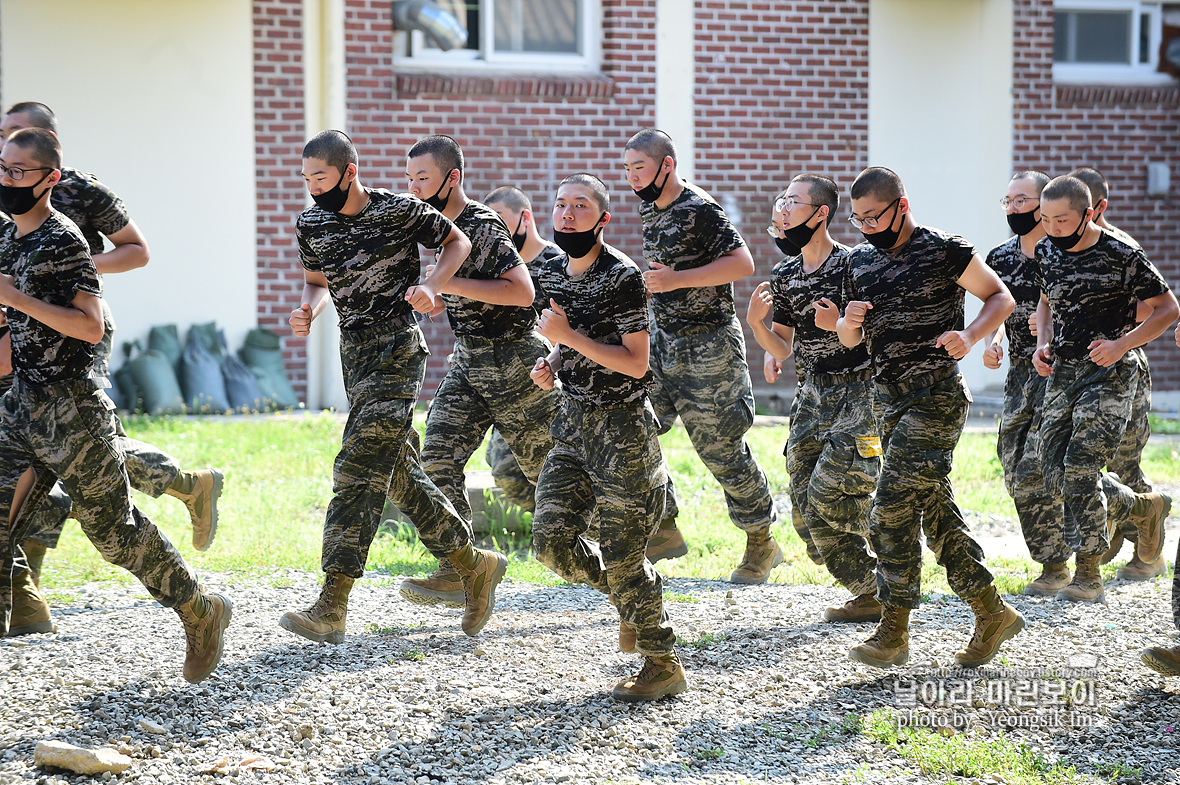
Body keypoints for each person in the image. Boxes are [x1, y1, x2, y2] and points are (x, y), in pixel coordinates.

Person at [0, 128, 229, 681]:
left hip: (73, 411)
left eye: (18, 172)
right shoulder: (6, 239)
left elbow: (89, 325)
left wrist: (14, 298)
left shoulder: (64, 240)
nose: (6, 180)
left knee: (115, 534)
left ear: (50, 179)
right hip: (19, 406)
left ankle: (201, 612)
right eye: (1, 168)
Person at [281, 130, 505, 643]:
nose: (313, 187)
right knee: (398, 472)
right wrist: (308, 310)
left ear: (349, 172)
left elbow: (458, 240)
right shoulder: (311, 222)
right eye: (306, 178)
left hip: (397, 350)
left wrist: (431, 284)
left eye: (321, 177)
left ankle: (331, 604)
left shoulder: (397, 210)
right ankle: (472, 565)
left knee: (357, 464)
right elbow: (316, 280)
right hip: (353, 354)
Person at [836, 166, 1022, 669]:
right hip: (886, 399)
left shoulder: (944, 249)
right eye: (858, 220)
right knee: (935, 512)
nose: (868, 227)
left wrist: (971, 335)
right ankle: (992, 611)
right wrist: (846, 324)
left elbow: (999, 296)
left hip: (935, 396)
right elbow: (848, 341)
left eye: (875, 216)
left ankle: (893, 631)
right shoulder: (858, 263)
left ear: (902, 205)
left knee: (889, 507)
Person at [530, 172, 685, 701]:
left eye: (579, 206)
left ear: (603, 218)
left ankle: (662, 661)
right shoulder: (552, 267)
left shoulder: (621, 276)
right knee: (550, 542)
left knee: (621, 554)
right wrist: (552, 360)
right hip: (572, 423)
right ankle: (632, 596)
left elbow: (638, 363)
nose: (567, 214)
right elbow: (568, 341)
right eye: (560, 205)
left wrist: (566, 338)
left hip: (622, 430)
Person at [396, 138, 560, 609]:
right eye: (409, 178)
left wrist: (442, 282)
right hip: (470, 361)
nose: (413, 187)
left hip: (515, 362)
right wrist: (442, 294)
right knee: (436, 460)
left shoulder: (481, 224)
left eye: (422, 178)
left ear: (453, 178)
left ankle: (625, 565)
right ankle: (462, 565)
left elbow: (522, 292)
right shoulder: (437, 227)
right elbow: (468, 288)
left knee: (550, 481)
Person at [623, 128, 780, 582]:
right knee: (635, 429)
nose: (633, 178)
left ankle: (760, 541)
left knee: (721, 448)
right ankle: (664, 526)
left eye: (640, 168)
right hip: (661, 342)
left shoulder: (700, 208)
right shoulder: (651, 205)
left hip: (708, 346)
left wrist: (677, 280)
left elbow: (743, 263)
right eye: (628, 169)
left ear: (666, 165)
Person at [1031, 175, 1176, 603]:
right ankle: (1144, 508)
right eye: (1046, 219)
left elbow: (1168, 309)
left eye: (1062, 220)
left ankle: (1088, 572)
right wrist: (1043, 344)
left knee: (1080, 468)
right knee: (1050, 469)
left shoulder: (1121, 254)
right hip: (1063, 372)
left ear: (1089, 213)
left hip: (1111, 373)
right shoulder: (1045, 250)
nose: (1052, 229)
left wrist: (1121, 345)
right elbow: (1045, 302)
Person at [746, 176, 880, 623]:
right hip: (811, 393)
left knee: (835, 491)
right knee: (803, 501)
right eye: (781, 200)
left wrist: (837, 324)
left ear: (820, 213)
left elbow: (874, 338)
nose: (782, 209)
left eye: (793, 202)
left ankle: (894, 557)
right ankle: (868, 589)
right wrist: (757, 327)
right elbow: (783, 347)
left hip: (860, 392)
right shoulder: (784, 274)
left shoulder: (855, 265)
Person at [981, 170, 1075, 595]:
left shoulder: (1067, 253)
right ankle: (1055, 557)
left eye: (1023, 200)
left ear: (1044, 204)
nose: (1014, 208)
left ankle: (1061, 564)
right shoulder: (999, 257)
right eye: (1008, 201)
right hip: (1020, 372)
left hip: (1061, 371)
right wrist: (992, 342)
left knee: (1054, 464)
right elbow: (998, 309)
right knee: (1015, 466)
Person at [1069, 167, 1161, 580]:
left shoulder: (1121, 247)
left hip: (1124, 365)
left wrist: (1110, 327)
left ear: (1097, 207)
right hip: (1082, 369)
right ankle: (1103, 540)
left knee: (1124, 459)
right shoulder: (1065, 247)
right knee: (1085, 459)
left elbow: (1152, 307)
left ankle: (1149, 549)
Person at [478, 185, 565, 514]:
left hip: (559, 385)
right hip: (512, 388)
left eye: (501, 220)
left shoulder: (559, 264)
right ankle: (558, 524)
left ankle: (571, 530)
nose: (495, 230)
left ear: (525, 219)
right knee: (506, 469)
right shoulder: (494, 271)